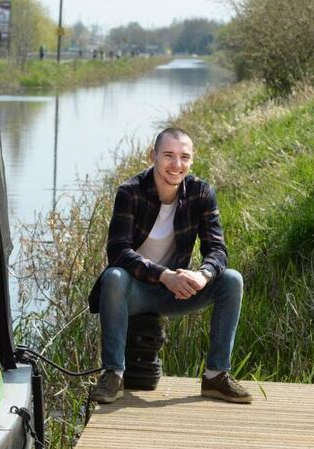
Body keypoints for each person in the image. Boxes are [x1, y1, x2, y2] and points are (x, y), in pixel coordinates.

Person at [87, 127, 252, 404]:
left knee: (231, 279)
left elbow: (218, 250)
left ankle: (216, 377)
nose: (177, 165)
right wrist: (163, 275)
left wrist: (203, 274)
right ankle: (113, 375)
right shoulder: (130, 192)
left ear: (192, 160)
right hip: (135, 292)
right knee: (114, 276)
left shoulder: (201, 193)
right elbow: (118, 251)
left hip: (177, 292)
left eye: (184, 157)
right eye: (169, 156)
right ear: (152, 156)